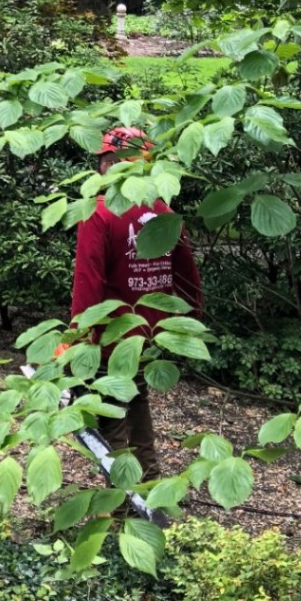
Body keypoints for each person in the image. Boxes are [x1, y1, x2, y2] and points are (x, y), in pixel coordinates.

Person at [71, 125, 204, 482]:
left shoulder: (97, 214)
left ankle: (124, 503)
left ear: (107, 164)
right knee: (138, 399)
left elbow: (88, 284)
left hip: (112, 337)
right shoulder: (164, 210)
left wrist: (79, 340)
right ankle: (151, 480)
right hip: (155, 334)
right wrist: (192, 321)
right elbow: (188, 277)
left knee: (112, 416)